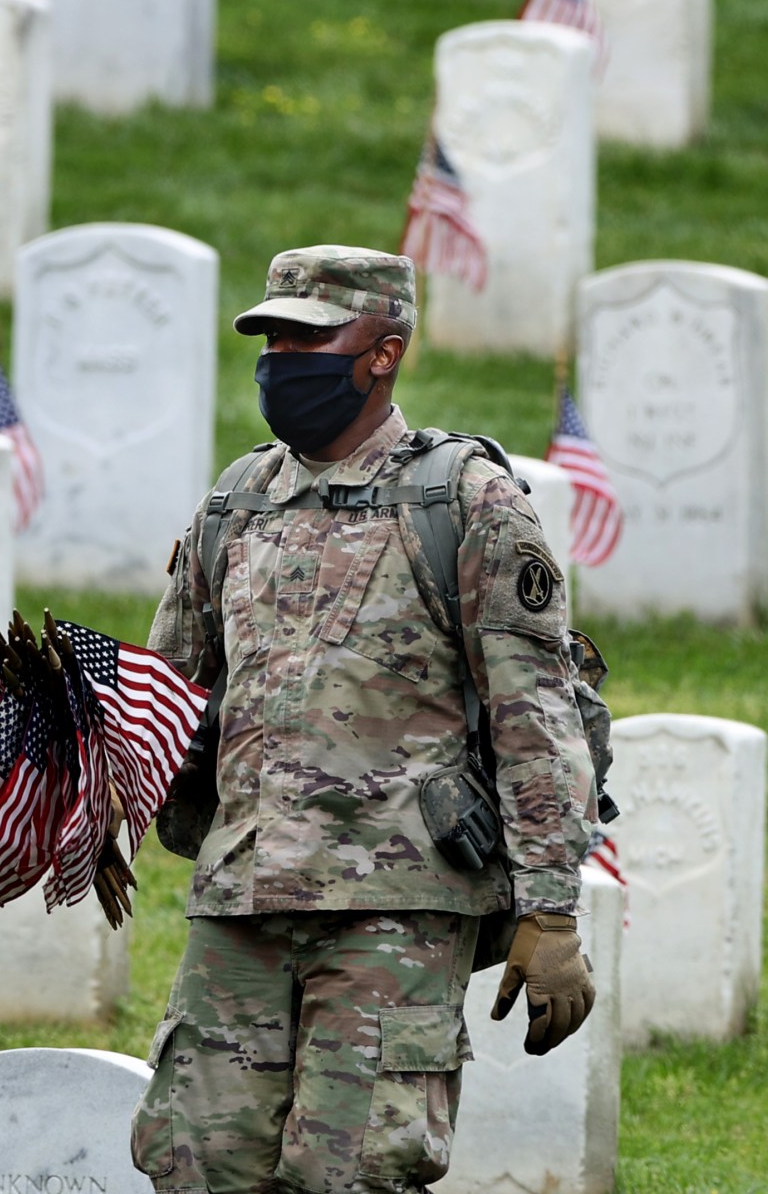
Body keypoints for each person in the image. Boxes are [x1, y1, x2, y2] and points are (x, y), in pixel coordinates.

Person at [131, 245, 596, 1194]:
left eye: (309, 337)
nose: (281, 359)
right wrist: (72, 801)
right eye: (270, 338)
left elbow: (535, 711)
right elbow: (163, 695)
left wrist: (550, 914)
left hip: (396, 907)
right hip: (242, 898)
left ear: (384, 351)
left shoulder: (466, 502)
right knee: (194, 1161)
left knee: (350, 1175)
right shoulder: (237, 502)